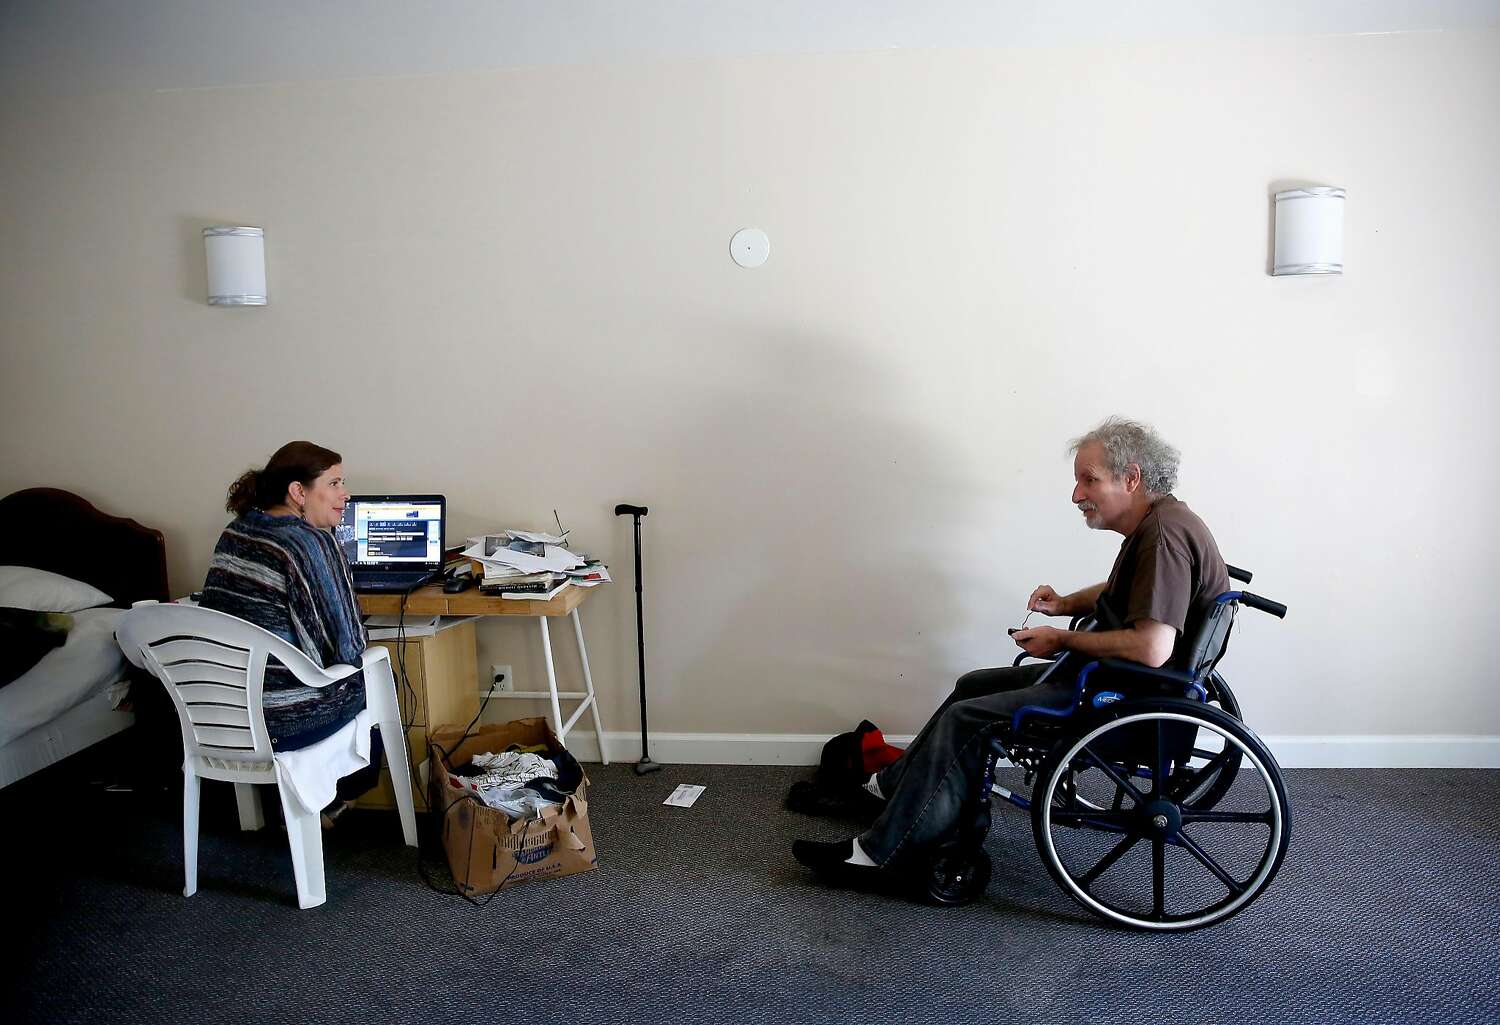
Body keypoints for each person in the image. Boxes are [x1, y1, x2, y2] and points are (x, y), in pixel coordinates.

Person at [791, 416, 1230, 891]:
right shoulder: (1160, 523)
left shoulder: (1163, 536)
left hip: (1119, 698)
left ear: (1131, 479)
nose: (1077, 494)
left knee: (968, 718)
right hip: (1114, 682)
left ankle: (884, 853)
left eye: (1089, 480)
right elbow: (1125, 592)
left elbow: (1151, 646)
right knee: (972, 686)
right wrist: (1064, 605)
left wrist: (1060, 638)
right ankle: (893, 789)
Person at [199, 440, 382, 825]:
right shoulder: (310, 543)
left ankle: (300, 801)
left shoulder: (236, 532)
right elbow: (346, 647)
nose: (345, 494)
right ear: (298, 491)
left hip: (223, 714)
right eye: (333, 484)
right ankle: (332, 795)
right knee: (378, 678)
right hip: (286, 720)